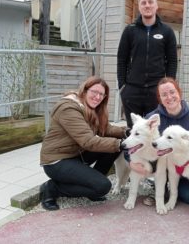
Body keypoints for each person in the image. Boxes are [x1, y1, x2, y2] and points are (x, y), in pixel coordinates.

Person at [39, 76, 128, 211]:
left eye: (101, 95)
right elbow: (88, 141)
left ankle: (91, 185)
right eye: (94, 92)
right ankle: (52, 188)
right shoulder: (68, 108)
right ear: (85, 90)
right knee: (103, 186)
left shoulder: (91, 108)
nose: (98, 97)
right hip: (57, 160)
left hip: (75, 154)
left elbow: (106, 129)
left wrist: (126, 132)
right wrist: (120, 143)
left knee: (112, 149)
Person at [126, 77, 189, 205]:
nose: (169, 97)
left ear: (179, 92)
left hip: (183, 166)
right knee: (159, 170)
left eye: (172, 92)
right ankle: (159, 190)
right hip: (159, 166)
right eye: (164, 95)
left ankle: (174, 189)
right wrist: (131, 162)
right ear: (160, 98)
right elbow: (134, 139)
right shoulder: (152, 118)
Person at [117, 0, 178, 129]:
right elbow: (122, 59)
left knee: (155, 132)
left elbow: (172, 61)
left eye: (150, 2)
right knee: (135, 132)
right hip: (132, 91)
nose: (147, 5)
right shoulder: (130, 31)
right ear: (139, 7)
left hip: (156, 91)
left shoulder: (167, 31)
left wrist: (168, 85)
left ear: (156, 5)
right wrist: (123, 86)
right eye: (143, 3)